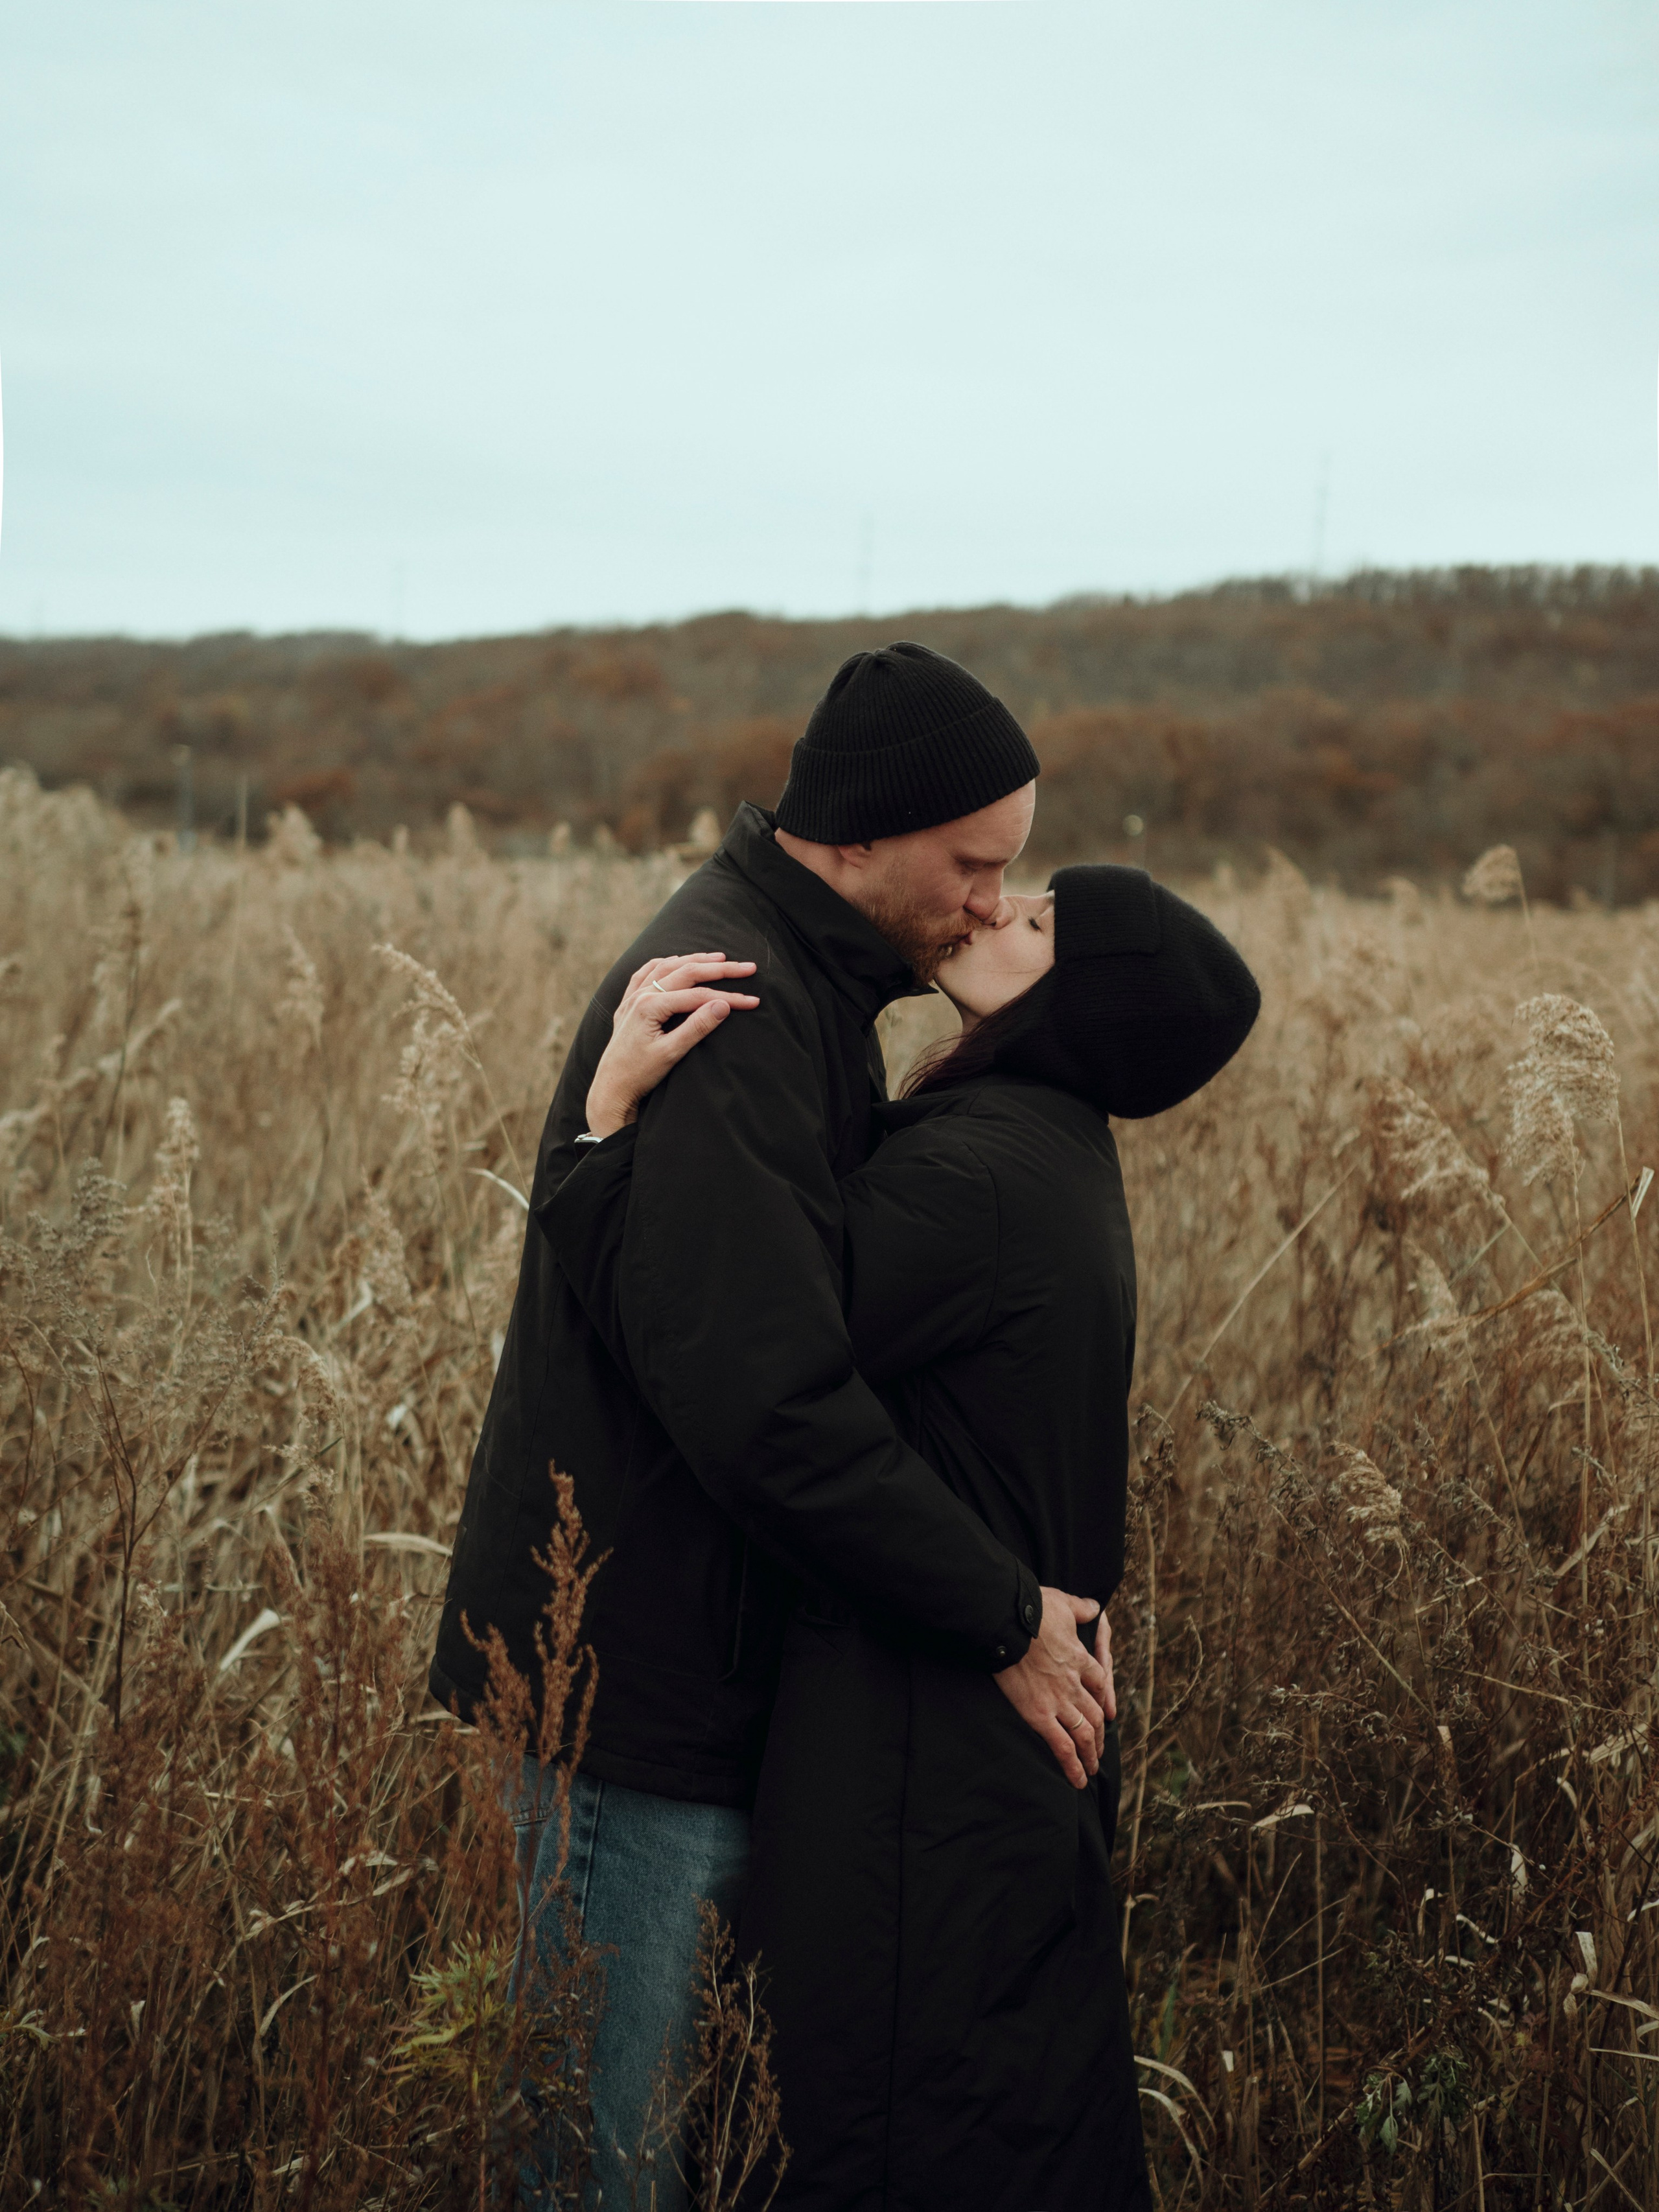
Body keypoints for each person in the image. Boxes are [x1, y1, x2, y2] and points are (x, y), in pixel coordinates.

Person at [429, 643, 1116, 2206]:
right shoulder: (733, 1001)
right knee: (598, 2171)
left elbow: (760, 1316)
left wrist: (587, 1157)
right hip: (626, 1692)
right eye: (973, 866)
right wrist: (1001, 1614)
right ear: (859, 835)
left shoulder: (811, 985)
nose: (992, 906)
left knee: (691, 2159)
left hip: (701, 1670)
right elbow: (771, 1403)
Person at [546, 863, 1260, 2211]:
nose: (996, 909)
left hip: (926, 1747)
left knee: (875, 2135)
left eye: (1039, 921)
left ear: (1080, 1004)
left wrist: (598, 1139)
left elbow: (728, 1348)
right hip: (973, 1736)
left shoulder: (978, 1173)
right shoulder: (1041, 1149)